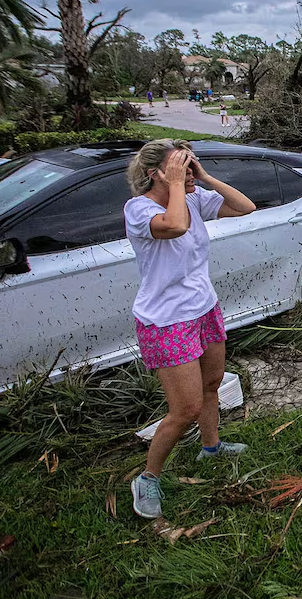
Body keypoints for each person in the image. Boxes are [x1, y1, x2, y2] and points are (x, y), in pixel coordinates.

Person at [124, 139, 256, 519]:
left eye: (189, 163)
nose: (188, 169)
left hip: (203, 308)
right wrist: (179, 185)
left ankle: (211, 446)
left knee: (213, 384)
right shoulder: (139, 209)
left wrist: (204, 176)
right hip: (167, 321)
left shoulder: (194, 198)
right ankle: (148, 479)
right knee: (185, 409)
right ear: (156, 174)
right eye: (180, 165)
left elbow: (245, 206)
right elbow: (176, 226)